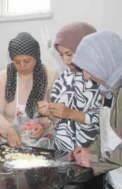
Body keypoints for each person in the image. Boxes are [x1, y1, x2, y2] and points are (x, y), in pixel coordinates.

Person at [73, 31, 122, 189]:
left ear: (104, 60)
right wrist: (90, 150)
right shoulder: (109, 92)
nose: (85, 75)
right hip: (115, 187)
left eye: (87, 68)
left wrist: (96, 162)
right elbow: (107, 135)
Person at [37, 22, 102, 158]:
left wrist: (71, 113)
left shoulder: (101, 78)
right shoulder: (63, 78)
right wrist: (50, 114)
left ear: (87, 49)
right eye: (61, 55)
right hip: (63, 154)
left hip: (91, 156)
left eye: (70, 53)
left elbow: (105, 122)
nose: (66, 60)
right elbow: (59, 121)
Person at [0, 32, 57, 148]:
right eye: (17, 62)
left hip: (41, 142)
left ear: (36, 57)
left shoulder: (50, 75)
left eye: (27, 61)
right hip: (11, 141)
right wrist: (9, 130)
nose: (22, 66)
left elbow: (57, 112)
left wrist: (43, 125)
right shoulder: (4, 77)